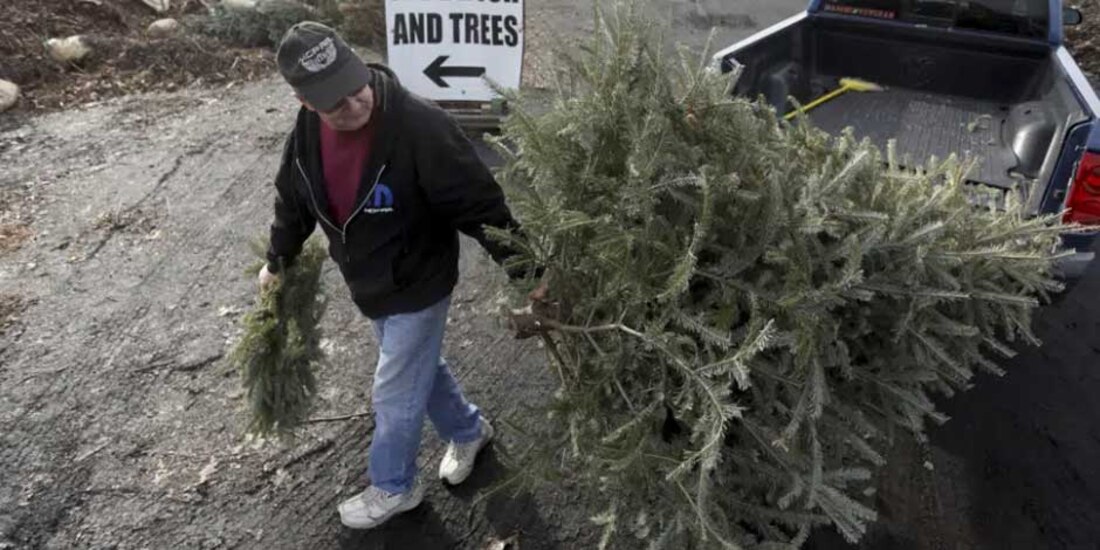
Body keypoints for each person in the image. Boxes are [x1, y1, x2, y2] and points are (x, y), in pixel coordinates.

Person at [260, 21, 538, 530]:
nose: (354, 103)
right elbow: (292, 202)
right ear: (303, 101)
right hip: (369, 284)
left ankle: (394, 486)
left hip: (419, 281)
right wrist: (277, 260)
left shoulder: (419, 126)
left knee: (393, 390)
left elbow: (481, 206)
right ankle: (469, 430)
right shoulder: (304, 138)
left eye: (355, 84)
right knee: (419, 372)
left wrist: (529, 269)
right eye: (334, 102)